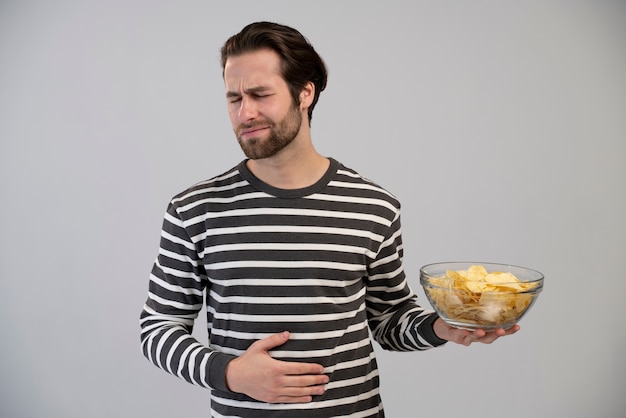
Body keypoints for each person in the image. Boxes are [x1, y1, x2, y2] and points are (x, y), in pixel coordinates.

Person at [139, 21, 519, 417]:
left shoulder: (374, 205)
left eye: (259, 94)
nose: (244, 112)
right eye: (233, 98)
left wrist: (442, 327)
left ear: (305, 92)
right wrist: (231, 372)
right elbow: (158, 328)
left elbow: (389, 320)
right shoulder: (195, 208)